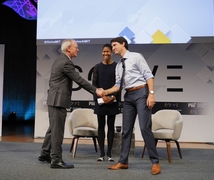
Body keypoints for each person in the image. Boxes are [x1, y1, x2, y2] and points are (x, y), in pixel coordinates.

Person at [38, 39, 104, 169]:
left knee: (53, 128)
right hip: (58, 101)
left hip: (54, 99)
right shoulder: (66, 62)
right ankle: (56, 160)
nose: (78, 49)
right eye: (76, 47)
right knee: (57, 131)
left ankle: (45, 153)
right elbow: (79, 80)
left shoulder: (59, 60)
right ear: (69, 48)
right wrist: (96, 90)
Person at [104, 37, 161, 175]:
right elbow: (118, 86)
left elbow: (149, 76)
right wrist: (104, 91)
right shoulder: (118, 66)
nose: (113, 48)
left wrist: (151, 94)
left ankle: (155, 162)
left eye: (115, 45)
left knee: (144, 127)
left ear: (123, 44)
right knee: (126, 130)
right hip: (128, 96)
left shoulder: (136, 57)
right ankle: (123, 161)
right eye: (112, 46)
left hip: (142, 92)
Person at [92, 43, 120, 162]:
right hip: (100, 101)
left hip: (113, 101)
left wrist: (112, 97)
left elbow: (119, 84)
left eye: (108, 51)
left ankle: (109, 154)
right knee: (101, 126)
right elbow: (94, 86)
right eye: (104, 52)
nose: (105, 54)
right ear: (101, 53)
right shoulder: (97, 67)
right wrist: (102, 98)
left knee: (110, 126)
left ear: (111, 53)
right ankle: (101, 154)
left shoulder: (117, 66)